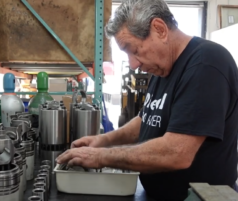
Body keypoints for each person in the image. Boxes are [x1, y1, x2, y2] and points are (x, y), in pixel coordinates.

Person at [56, 0, 238, 200]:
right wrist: (103, 141)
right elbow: (146, 120)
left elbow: (176, 152)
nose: (133, 65)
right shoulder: (162, 69)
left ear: (159, 29)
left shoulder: (206, 65)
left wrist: (100, 157)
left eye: (133, 50)